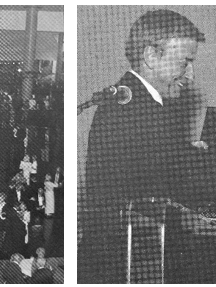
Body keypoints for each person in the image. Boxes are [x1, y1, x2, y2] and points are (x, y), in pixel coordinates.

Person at [80, 9, 206, 283]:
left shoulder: (144, 105)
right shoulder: (132, 107)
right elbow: (168, 182)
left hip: (132, 252)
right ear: (151, 56)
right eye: (185, 62)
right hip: (122, 263)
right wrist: (196, 158)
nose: (190, 74)